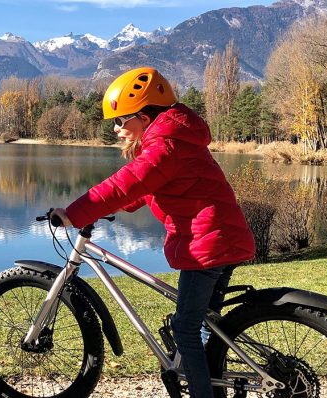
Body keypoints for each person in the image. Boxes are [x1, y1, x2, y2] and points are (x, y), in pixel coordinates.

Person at [51, 67, 255, 398]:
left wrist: (73, 213)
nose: (116, 129)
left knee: (185, 329)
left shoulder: (165, 147)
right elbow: (145, 189)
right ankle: (209, 381)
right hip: (221, 240)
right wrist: (114, 208)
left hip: (208, 246)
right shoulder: (172, 140)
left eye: (121, 120)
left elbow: (123, 185)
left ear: (145, 118)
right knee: (205, 325)